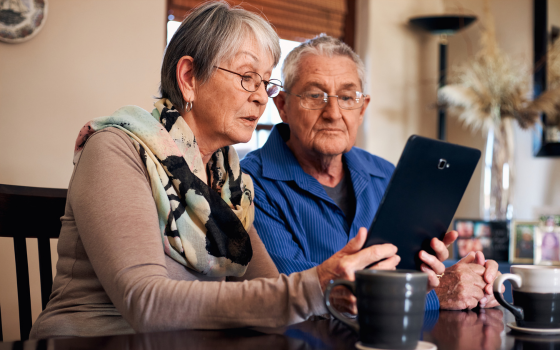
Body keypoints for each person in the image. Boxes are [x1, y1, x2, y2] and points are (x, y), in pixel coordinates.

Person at [29, 3, 407, 339]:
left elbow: (272, 296)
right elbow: (144, 302)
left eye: (265, 81)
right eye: (247, 77)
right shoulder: (117, 148)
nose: (261, 96)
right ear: (189, 76)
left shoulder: (230, 182)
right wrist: (312, 285)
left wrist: (331, 292)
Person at [241, 35, 502, 311]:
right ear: (283, 106)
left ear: (362, 108)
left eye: (346, 97)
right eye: (315, 95)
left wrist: (468, 280)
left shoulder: (385, 174)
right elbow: (293, 295)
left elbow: (415, 271)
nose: (333, 112)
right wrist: (435, 293)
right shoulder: (248, 184)